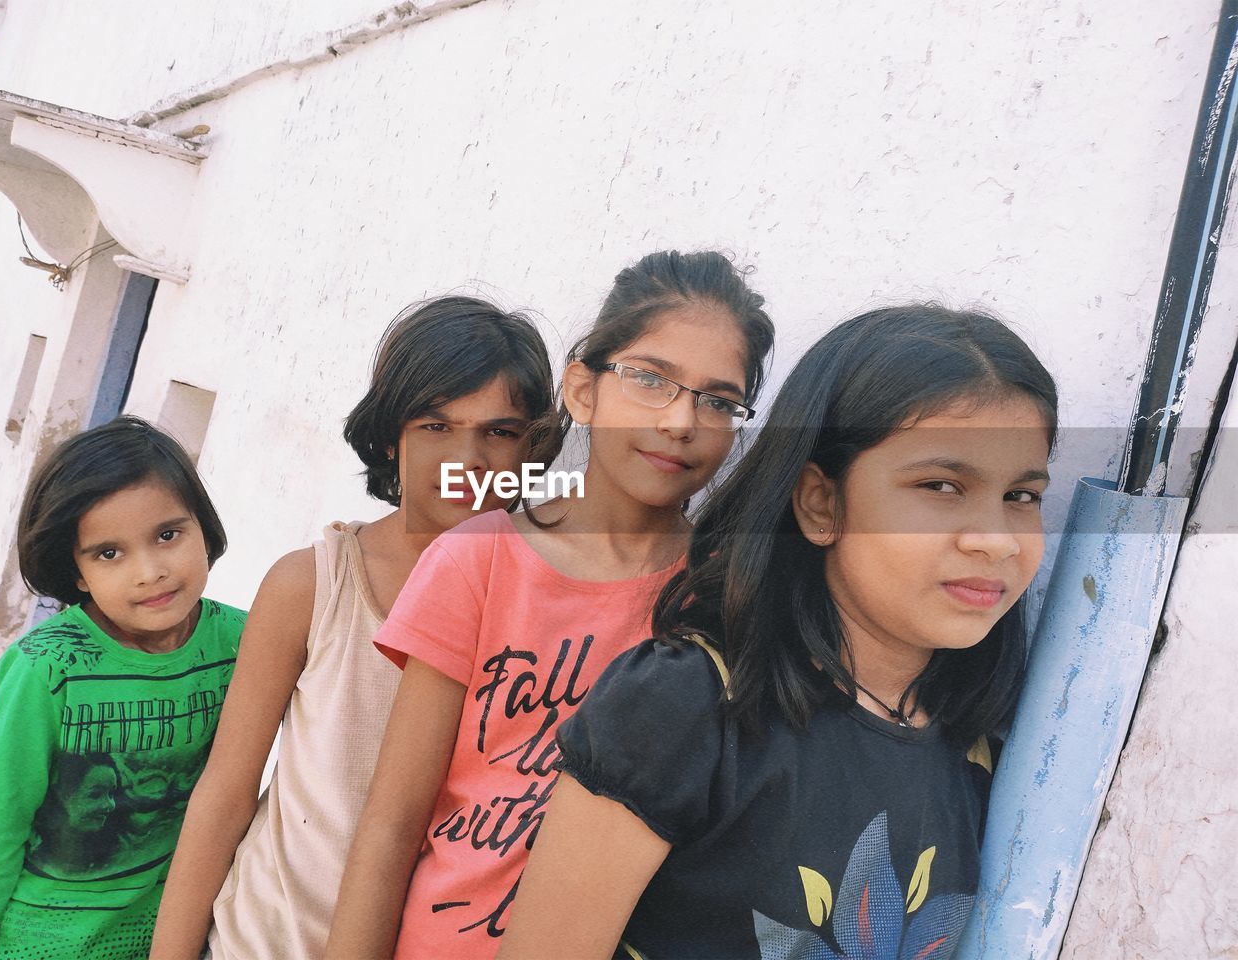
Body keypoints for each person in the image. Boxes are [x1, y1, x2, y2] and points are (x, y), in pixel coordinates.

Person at [500, 304, 1059, 960]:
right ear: (821, 502)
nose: (994, 540)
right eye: (941, 485)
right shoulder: (685, 708)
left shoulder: (975, 752)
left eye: (1021, 498)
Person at [324, 249, 776, 959]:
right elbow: (392, 822)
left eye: (719, 400)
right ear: (583, 390)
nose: (682, 420)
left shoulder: (724, 591)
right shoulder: (479, 558)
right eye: (652, 379)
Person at [149, 297, 558, 960]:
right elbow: (226, 792)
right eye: (436, 424)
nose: (468, 456)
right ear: (392, 434)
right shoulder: (314, 586)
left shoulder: (544, 607)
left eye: (500, 432)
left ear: (533, 447)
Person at [0, 417, 244, 960]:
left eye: (167, 535)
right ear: (78, 573)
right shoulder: (48, 668)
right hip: (37, 943)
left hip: (170, 933)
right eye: (109, 553)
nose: (150, 571)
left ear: (203, 529)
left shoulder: (245, 642)